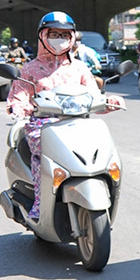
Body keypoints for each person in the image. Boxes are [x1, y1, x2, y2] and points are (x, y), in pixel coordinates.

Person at [6, 12, 124, 219]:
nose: (59, 39)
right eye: (54, 34)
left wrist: (109, 102)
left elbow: (93, 96)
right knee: (41, 154)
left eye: (64, 35)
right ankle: (40, 204)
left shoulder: (79, 67)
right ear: (43, 36)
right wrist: (19, 106)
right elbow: (19, 95)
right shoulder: (30, 69)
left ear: (71, 38)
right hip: (42, 125)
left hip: (78, 124)